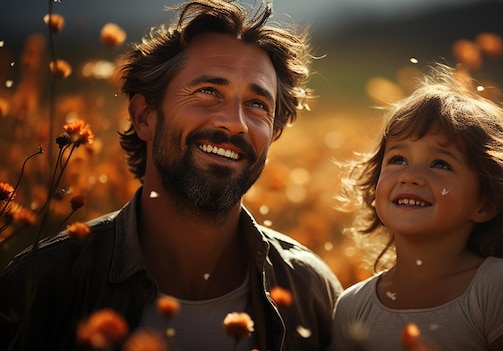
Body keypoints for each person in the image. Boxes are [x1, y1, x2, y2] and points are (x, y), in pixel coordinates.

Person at [0, 1, 343, 350]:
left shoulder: (312, 292)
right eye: (208, 92)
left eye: (258, 105)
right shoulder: (41, 286)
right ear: (144, 116)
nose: (235, 123)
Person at [329, 63, 503, 351]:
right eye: (398, 159)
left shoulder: (495, 286)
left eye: (440, 164)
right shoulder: (352, 307)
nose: (410, 176)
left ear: (485, 204)